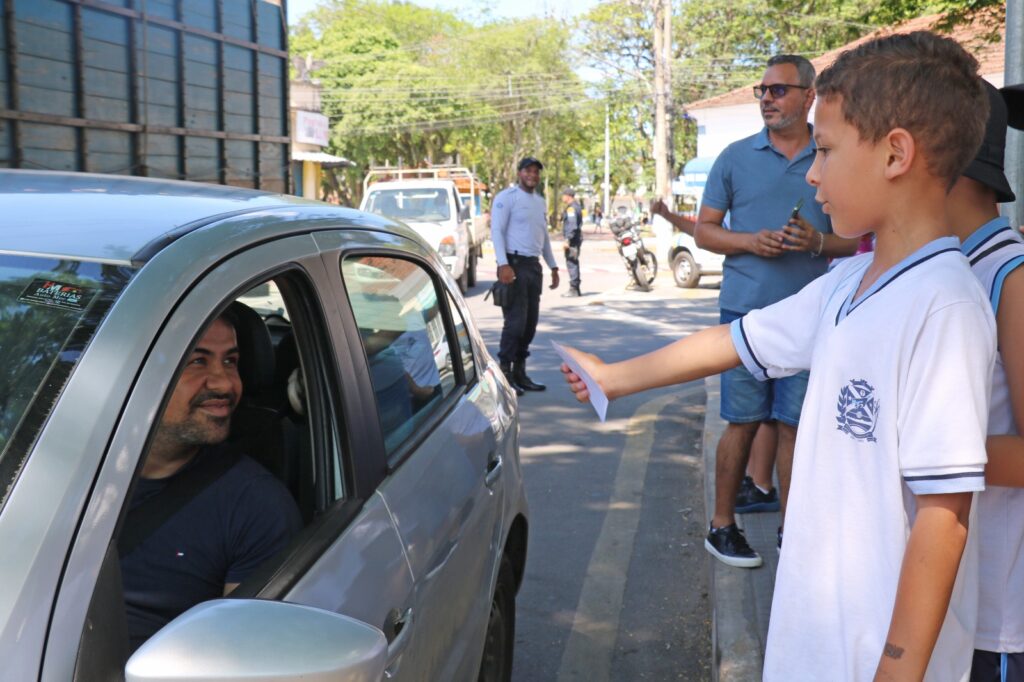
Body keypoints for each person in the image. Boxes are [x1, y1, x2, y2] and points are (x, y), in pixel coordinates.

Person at [561, 31, 994, 680]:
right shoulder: (850, 281)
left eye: (824, 150)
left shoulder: (946, 306)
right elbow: (739, 340)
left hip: (874, 655)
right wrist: (614, 377)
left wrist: (897, 671)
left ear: (896, 153)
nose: (812, 173)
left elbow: (944, 516)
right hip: (811, 638)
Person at [656, 54, 857, 567]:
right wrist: (750, 241)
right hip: (744, 313)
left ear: (809, 97)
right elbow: (703, 230)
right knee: (742, 422)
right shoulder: (734, 156)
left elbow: (857, 240)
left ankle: (793, 532)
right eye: (761, 91)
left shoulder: (834, 152)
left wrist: (817, 242)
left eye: (778, 90)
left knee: (794, 426)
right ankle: (721, 527)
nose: (766, 99)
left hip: (812, 315)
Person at [120, 311, 302, 652]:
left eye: (230, 361)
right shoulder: (54, 472)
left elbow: (243, 657)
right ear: (136, 374)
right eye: (197, 361)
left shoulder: (256, 508)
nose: (224, 383)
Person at [946, 82, 1024, 682]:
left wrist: (898, 449)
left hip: (996, 618)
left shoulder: (1009, 276)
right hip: (950, 600)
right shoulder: (946, 270)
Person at [490, 156, 560, 394]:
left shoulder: (539, 202)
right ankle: (505, 373)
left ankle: (520, 372)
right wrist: (503, 264)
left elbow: (544, 237)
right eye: (528, 171)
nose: (532, 175)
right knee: (515, 324)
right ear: (519, 173)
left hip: (533, 267)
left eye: (536, 172)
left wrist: (553, 266)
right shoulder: (506, 198)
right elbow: (497, 231)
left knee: (530, 324)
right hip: (514, 265)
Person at [561, 188, 584, 297]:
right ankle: (575, 288)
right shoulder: (576, 207)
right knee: (573, 262)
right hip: (575, 238)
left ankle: (574, 288)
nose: (562, 197)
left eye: (563, 195)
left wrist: (567, 240)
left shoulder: (571, 209)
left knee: (572, 263)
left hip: (573, 240)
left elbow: (572, 225)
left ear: (568, 196)